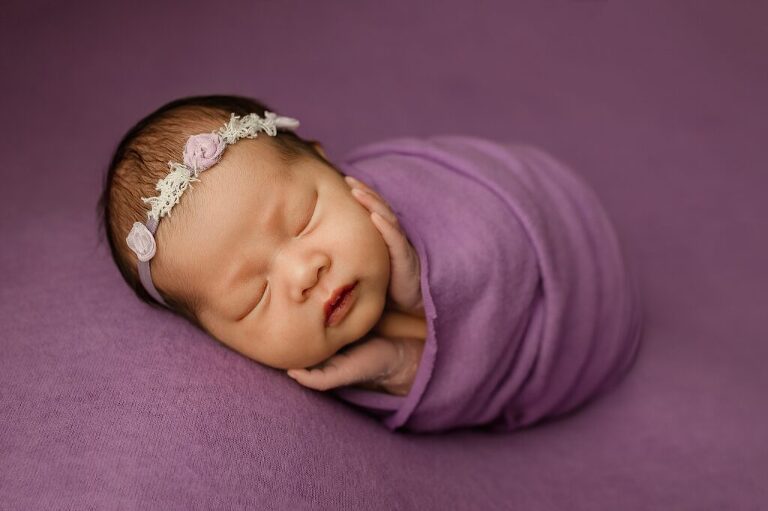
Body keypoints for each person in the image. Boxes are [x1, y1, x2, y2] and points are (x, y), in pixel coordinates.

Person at [98, 94, 426, 398]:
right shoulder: (339, 374)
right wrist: (398, 366)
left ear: (326, 163)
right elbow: (473, 397)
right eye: (254, 298)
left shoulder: (412, 186)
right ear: (217, 337)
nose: (303, 274)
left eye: (304, 219)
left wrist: (424, 281)